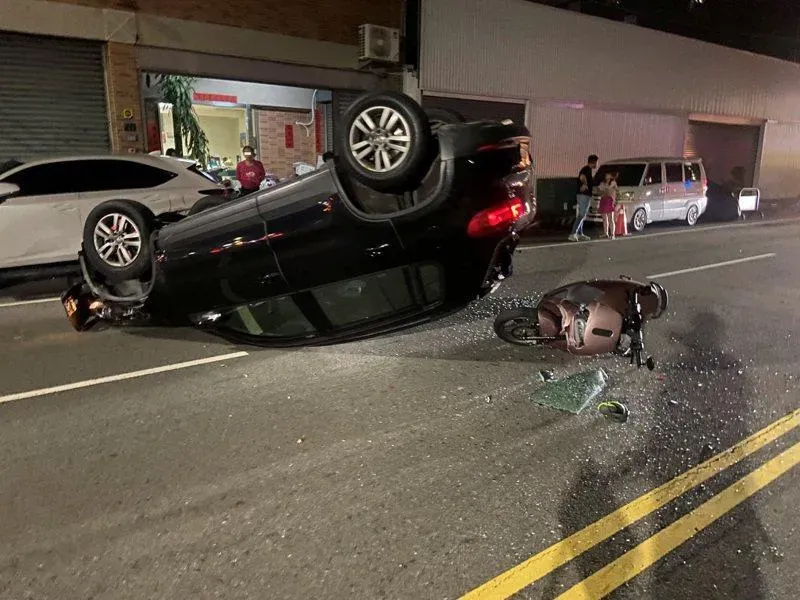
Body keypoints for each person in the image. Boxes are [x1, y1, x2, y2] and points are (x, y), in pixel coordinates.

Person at [569, 154, 598, 242]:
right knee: (582, 214)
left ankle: (579, 233)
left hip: (585, 195)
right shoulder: (586, 169)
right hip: (583, 195)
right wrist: (585, 184)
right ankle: (573, 233)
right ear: (594, 162)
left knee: (582, 215)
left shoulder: (587, 170)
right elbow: (582, 176)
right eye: (596, 162)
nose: (597, 164)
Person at [598, 170, 619, 239]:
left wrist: (614, 198)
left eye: (608, 174)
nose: (607, 175)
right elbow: (599, 191)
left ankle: (612, 234)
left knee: (610, 218)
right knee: (604, 218)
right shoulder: (602, 183)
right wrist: (603, 191)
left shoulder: (613, 182)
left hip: (610, 200)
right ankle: (605, 233)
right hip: (603, 200)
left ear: (611, 176)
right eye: (606, 174)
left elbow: (615, 190)